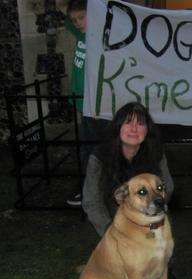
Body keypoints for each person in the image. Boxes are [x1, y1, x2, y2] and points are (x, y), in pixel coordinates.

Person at [82, 102, 173, 237]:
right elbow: (92, 201)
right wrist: (111, 232)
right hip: (110, 218)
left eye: (140, 124)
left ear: (148, 129)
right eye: (128, 123)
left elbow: (168, 188)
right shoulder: (99, 157)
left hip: (149, 216)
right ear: (118, 127)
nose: (134, 129)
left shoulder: (156, 153)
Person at [65, 0, 109, 206]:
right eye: (74, 20)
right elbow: (68, 18)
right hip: (84, 103)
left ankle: (91, 189)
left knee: (93, 148)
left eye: (82, 17)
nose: (77, 23)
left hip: (98, 105)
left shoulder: (102, 37)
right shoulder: (81, 34)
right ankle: (92, 187)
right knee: (89, 147)